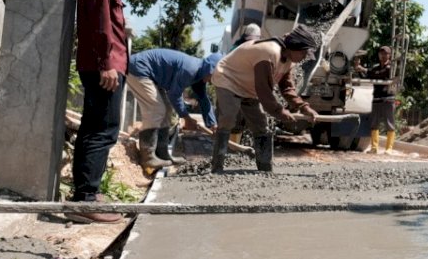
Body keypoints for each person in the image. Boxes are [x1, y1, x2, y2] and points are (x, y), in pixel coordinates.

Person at [70, 0, 153, 224]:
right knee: (102, 130)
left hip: (105, 65)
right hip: (102, 66)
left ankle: (86, 193)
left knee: (97, 128)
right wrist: (106, 63)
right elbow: (101, 22)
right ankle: (85, 199)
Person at [210, 24, 319, 172]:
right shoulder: (269, 53)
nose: (305, 57)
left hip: (248, 86)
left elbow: (287, 88)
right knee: (228, 118)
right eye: (304, 53)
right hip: (229, 79)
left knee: (261, 124)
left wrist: (304, 107)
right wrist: (280, 112)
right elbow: (264, 92)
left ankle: (264, 168)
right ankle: (217, 166)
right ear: (295, 47)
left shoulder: (288, 61)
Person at [126, 49, 223, 170]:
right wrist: (186, 118)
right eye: (214, 76)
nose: (212, 81)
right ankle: (148, 157)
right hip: (139, 69)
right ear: (210, 69)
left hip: (152, 76)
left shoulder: (199, 75)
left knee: (166, 110)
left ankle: (162, 153)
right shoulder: (191, 69)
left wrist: (212, 124)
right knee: (156, 109)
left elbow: (203, 99)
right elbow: (174, 95)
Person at [227, 23, 261, 144]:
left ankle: (244, 146)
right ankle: (232, 148)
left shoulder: (258, 49)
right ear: (245, 37)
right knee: (235, 120)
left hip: (249, 89)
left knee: (250, 119)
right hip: (234, 88)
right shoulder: (236, 48)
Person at [367, 46, 397, 154]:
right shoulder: (375, 68)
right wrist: (360, 68)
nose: (383, 55)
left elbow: (384, 73)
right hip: (376, 98)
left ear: (389, 55)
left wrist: (373, 73)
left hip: (388, 98)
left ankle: (389, 148)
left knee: (390, 123)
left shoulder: (391, 67)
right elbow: (369, 73)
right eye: (381, 53)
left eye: (385, 53)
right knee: (374, 124)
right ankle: (374, 148)